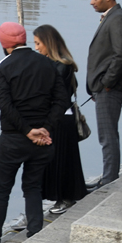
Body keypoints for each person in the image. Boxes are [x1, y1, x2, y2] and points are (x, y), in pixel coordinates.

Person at [0, 22, 68, 243]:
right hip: (43, 141)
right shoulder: (48, 64)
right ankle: (34, 234)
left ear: (4, 43)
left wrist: (26, 130)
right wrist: (45, 128)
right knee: (33, 187)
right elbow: (62, 100)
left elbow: (5, 105)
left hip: (13, 138)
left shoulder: (2, 67)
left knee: (1, 190)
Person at [33, 25, 87, 214]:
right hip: (56, 118)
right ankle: (60, 197)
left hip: (61, 119)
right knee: (55, 160)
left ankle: (66, 197)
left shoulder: (62, 66)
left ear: (48, 42)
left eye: (39, 43)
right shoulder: (54, 64)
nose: (37, 48)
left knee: (63, 160)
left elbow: (53, 94)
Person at [85, 0, 122, 190]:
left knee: (107, 134)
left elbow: (121, 54)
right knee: (107, 133)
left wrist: (106, 83)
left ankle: (109, 178)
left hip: (110, 88)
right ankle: (108, 175)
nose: (91, 2)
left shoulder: (118, 19)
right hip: (103, 87)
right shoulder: (111, 18)